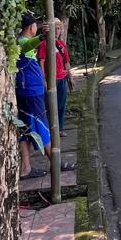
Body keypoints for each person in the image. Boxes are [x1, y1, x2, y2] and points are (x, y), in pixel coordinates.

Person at [15, 13, 74, 179]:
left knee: (26, 130)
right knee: (41, 126)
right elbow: (27, 46)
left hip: (29, 91)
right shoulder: (21, 42)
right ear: (31, 27)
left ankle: (25, 168)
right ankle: (56, 162)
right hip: (31, 92)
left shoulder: (23, 42)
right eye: (36, 25)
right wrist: (42, 37)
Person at [38, 20, 73, 135]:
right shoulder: (44, 44)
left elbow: (66, 62)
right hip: (50, 79)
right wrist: (43, 79)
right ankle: (50, 129)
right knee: (50, 106)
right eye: (55, 28)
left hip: (62, 78)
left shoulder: (61, 45)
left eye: (58, 28)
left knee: (61, 105)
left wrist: (70, 78)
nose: (57, 31)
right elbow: (41, 62)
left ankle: (60, 129)